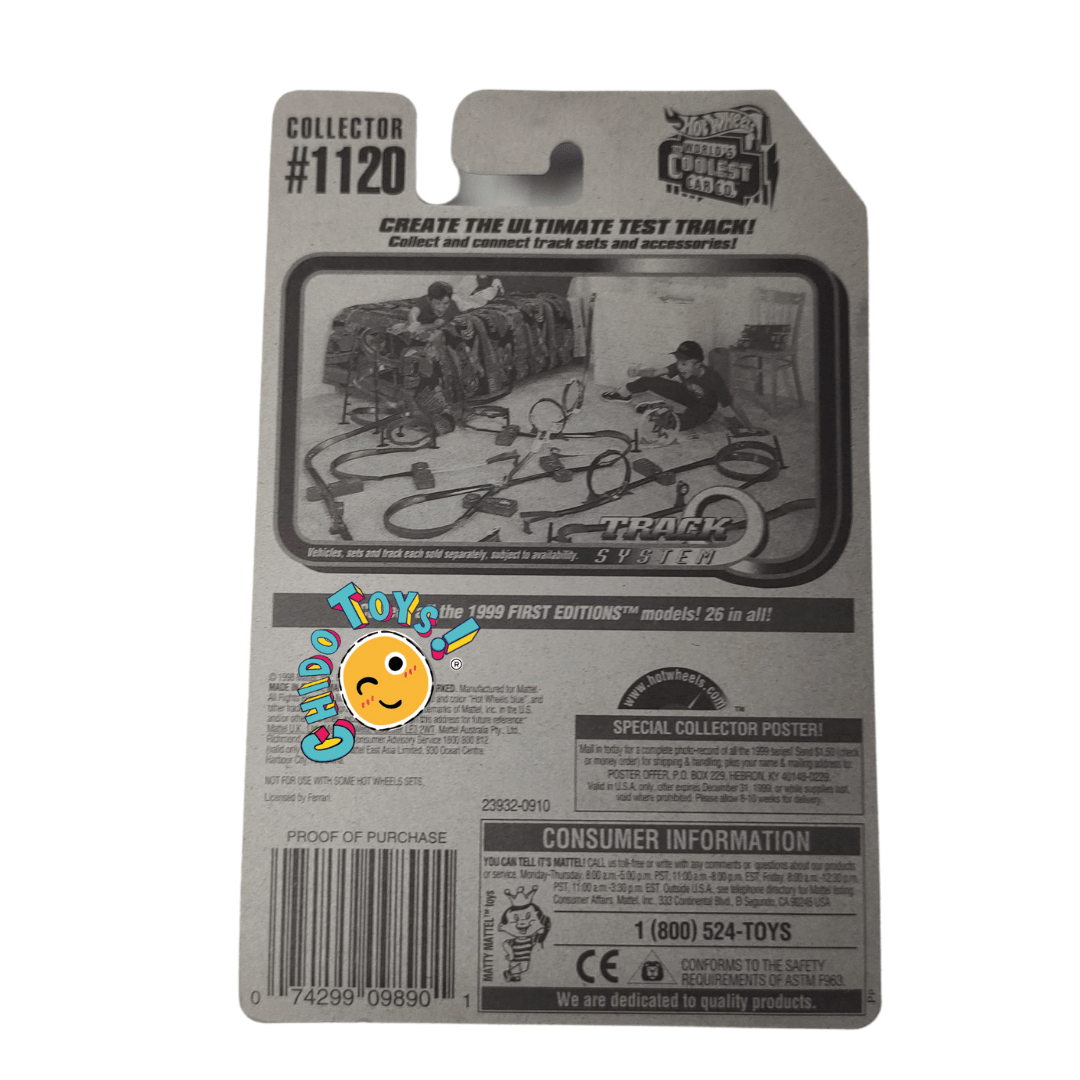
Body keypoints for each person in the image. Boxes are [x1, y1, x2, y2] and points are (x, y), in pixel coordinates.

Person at [602, 340, 762, 434]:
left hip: (704, 407)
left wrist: (751, 427)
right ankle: (623, 394)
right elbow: (656, 372)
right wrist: (639, 372)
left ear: (697, 364)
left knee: (675, 424)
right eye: (678, 362)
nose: (679, 367)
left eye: (684, 364)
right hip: (686, 394)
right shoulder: (681, 367)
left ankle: (660, 410)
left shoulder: (713, 378)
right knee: (648, 380)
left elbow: (733, 403)